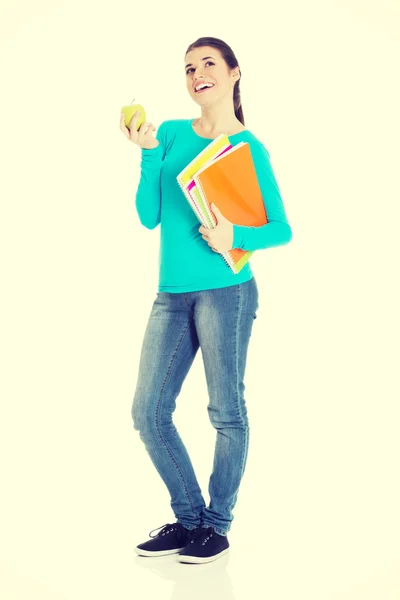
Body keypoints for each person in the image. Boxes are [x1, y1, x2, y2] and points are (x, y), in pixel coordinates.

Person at [120, 36, 292, 564]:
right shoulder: (169, 135)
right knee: (148, 412)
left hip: (227, 293)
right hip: (170, 295)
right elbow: (149, 217)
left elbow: (281, 229)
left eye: (209, 64)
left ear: (234, 73)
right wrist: (149, 153)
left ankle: (216, 528)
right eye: (189, 67)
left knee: (225, 412)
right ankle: (190, 518)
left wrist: (235, 235)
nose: (197, 74)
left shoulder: (248, 149)